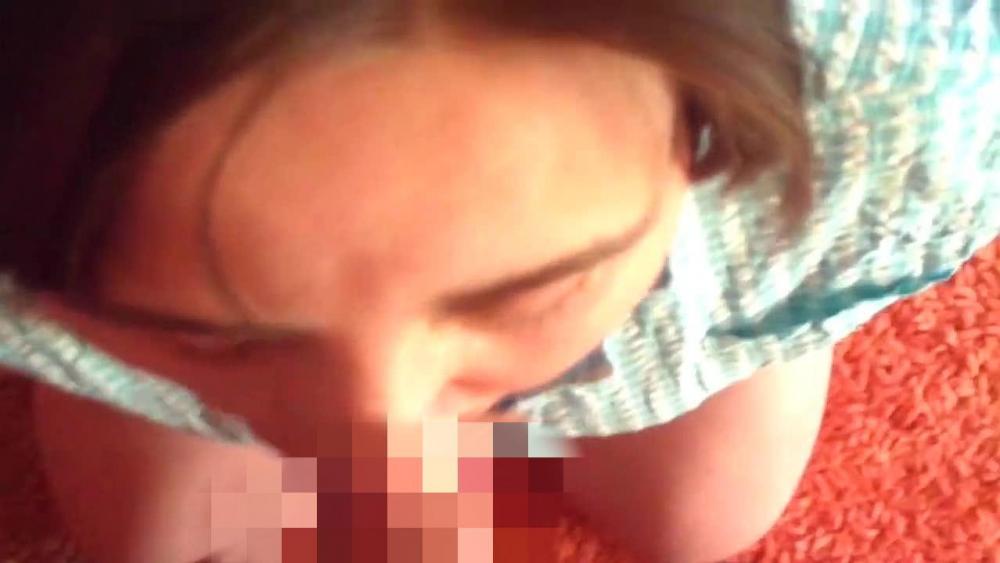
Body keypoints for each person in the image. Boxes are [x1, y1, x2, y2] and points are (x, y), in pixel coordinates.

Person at [1, 1, 996, 562]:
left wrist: (776, 296)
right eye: (207, 330)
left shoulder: (918, 93)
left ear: (704, 130)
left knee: (696, 524)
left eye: (528, 292)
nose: (384, 467)